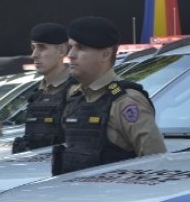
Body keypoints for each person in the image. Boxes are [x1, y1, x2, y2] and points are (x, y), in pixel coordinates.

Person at [57, 16, 165, 174]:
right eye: (71, 47)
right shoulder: (75, 97)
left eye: (80, 47)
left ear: (105, 55)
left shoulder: (126, 101)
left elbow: (157, 164)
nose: (71, 55)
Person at [14, 22, 74, 153]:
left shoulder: (77, 89)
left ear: (62, 50)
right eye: (33, 47)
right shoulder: (37, 93)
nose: (34, 54)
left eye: (42, 47)